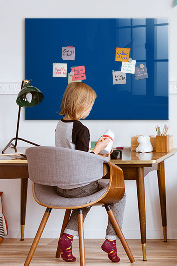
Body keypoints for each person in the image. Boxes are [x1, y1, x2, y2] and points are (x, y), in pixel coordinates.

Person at [55, 82, 126, 263]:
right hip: (78, 186)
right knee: (120, 194)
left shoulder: (60, 125)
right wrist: (99, 148)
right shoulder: (81, 129)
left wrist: (96, 150)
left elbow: (72, 154)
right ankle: (111, 240)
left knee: (85, 198)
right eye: (90, 105)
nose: (90, 109)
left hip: (61, 186)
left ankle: (68, 238)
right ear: (81, 105)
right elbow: (83, 161)